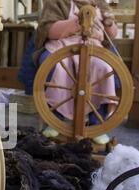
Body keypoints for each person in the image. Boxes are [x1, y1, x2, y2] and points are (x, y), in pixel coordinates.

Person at [34, 0, 119, 145]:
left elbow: (111, 35)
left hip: (93, 47)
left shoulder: (100, 4)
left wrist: (109, 23)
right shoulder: (56, 2)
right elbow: (46, 29)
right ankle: (55, 120)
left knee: (105, 69)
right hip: (61, 46)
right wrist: (74, 24)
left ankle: (97, 124)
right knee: (57, 67)